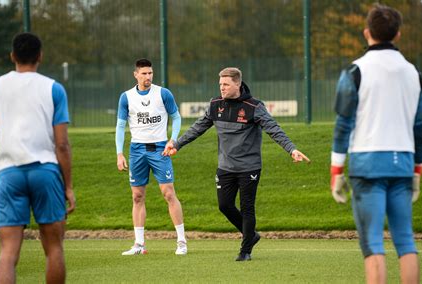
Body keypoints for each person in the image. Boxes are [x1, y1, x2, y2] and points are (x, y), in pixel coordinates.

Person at [164, 67, 310, 261]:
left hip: (249, 167)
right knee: (224, 205)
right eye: (220, 85)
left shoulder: (254, 106)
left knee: (247, 207)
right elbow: (198, 127)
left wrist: (291, 149)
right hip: (225, 166)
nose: (222, 88)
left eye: (226, 84)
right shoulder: (215, 105)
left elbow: (274, 129)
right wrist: (177, 144)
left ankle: (245, 250)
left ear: (238, 85)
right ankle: (251, 235)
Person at [330, 4, 422, 284]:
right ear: (398, 34)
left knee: (373, 242)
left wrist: (336, 170)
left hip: (367, 164)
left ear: (366, 33)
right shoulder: (414, 73)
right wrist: (417, 170)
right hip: (403, 163)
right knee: (406, 240)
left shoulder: (354, 71)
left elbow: (342, 125)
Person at [0, 32, 76, 283]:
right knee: (54, 249)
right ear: (40, 56)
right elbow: (62, 144)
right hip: (45, 172)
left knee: (8, 252)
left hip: (8, 173)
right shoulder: (53, 88)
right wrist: (68, 186)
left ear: (12, 56)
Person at [116, 58, 187, 255]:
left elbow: (177, 117)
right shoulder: (126, 97)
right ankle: (139, 244)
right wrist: (119, 153)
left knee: (169, 193)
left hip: (160, 149)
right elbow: (121, 126)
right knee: (137, 196)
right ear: (136, 74)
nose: (148, 77)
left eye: (150, 73)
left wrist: (172, 140)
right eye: (144, 73)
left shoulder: (163, 93)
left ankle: (182, 242)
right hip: (137, 150)